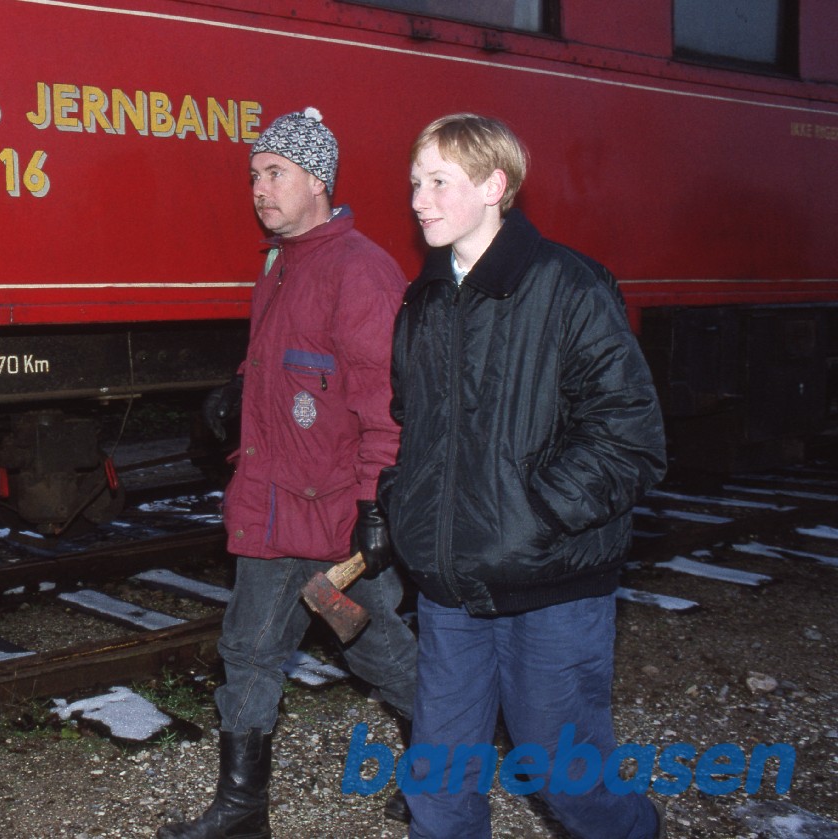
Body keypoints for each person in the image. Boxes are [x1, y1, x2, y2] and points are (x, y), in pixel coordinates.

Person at [378, 112, 668, 838]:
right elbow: (418, 433)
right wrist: (397, 505)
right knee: (438, 791)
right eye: (416, 182)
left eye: (439, 182)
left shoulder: (566, 287)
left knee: (564, 778)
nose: (419, 200)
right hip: (450, 591)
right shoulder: (423, 302)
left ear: (494, 186)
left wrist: (530, 514)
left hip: (550, 585)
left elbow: (631, 435)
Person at [158, 107, 418, 839]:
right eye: (254, 176)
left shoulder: (360, 270)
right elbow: (284, 366)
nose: (258, 189)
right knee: (249, 649)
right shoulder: (281, 265)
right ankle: (242, 811)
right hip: (274, 509)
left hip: (334, 524)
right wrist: (238, 393)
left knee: (375, 644)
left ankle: (442, 760)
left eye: (274, 173)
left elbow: (383, 405)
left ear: (316, 179)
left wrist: (376, 506)